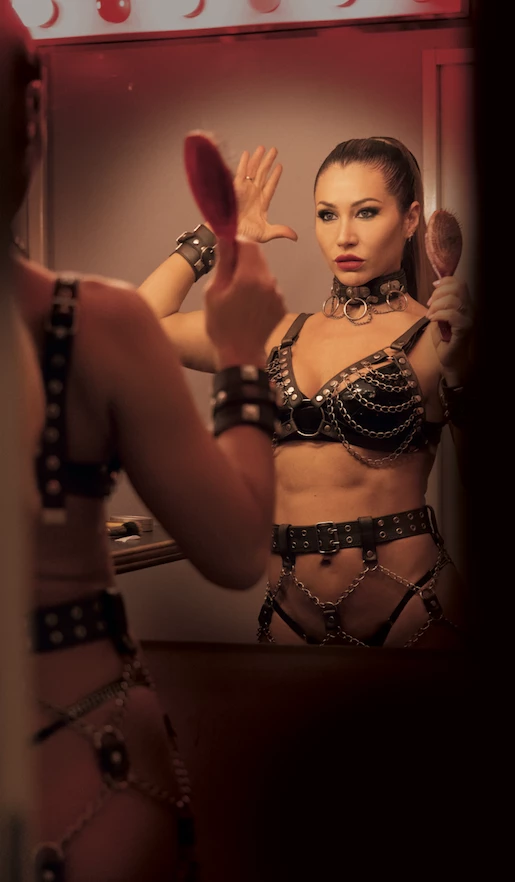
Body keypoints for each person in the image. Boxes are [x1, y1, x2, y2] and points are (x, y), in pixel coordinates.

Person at [1, 6, 285, 881]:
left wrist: (207, 244)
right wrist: (241, 354)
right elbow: (237, 550)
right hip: (83, 781)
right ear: (33, 114)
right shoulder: (92, 325)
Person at [139, 136, 474, 650]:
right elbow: (141, 325)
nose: (344, 235)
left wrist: (462, 375)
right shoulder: (273, 331)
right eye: (326, 215)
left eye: (366, 212)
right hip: (290, 619)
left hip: (413, 612)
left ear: (410, 221)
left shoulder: (439, 337)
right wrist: (216, 233)